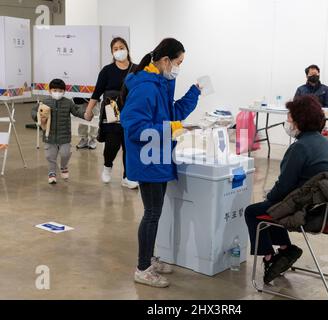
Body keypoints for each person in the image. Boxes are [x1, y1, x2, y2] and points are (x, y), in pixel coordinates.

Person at [121, 38, 201, 288]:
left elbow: (172, 114)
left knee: (154, 213)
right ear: (165, 60)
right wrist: (173, 128)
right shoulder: (146, 87)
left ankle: (148, 259)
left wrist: (195, 92)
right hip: (149, 160)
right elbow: (134, 127)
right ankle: (142, 268)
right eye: (178, 63)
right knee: (152, 214)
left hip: (159, 158)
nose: (178, 68)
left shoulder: (160, 84)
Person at [244, 95, 328, 284]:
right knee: (274, 205)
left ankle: (270, 258)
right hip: (326, 208)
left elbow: (283, 187)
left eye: (290, 117)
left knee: (254, 211)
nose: (287, 121)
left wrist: (269, 195)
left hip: (307, 211)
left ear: (299, 120)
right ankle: (286, 249)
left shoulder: (300, 148)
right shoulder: (323, 142)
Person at [84, 37, 138, 189]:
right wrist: (88, 111)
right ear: (112, 52)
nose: (119, 50)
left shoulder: (137, 69)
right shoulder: (107, 70)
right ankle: (108, 165)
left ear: (127, 49)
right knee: (112, 144)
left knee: (129, 145)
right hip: (112, 108)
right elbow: (96, 93)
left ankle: (128, 177)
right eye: (116, 49)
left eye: (121, 47)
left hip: (132, 110)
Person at [31, 79, 87, 184]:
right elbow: (34, 111)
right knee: (50, 156)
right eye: (55, 90)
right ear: (50, 90)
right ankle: (52, 172)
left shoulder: (68, 102)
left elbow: (76, 110)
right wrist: (37, 117)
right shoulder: (45, 102)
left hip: (64, 135)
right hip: (49, 135)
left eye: (60, 91)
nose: (58, 93)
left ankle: (64, 166)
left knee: (65, 153)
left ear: (64, 91)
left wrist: (85, 114)